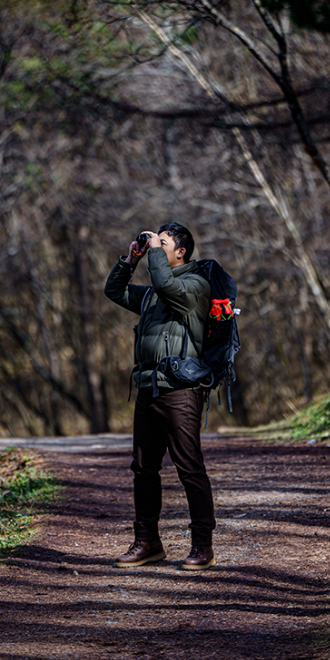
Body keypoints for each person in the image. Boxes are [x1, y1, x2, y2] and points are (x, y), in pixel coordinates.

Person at [104, 222, 216, 570]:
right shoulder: (153, 293)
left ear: (180, 252)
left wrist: (154, 254)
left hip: (181, 391)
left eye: (163, 242)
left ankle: (202, 546)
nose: (156, 245)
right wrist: (131, 259)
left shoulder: (195, 286)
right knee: (143, 469)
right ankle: (148, 542)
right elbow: (114, 291)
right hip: (148, 387)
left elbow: (167, 283)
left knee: (189, 468)